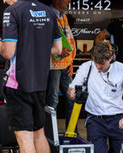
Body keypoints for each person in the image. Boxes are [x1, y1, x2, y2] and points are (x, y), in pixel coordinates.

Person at [0, 0, 62, 153]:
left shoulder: (12, 12)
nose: (4, 0)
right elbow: (58, 48)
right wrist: (36, 50)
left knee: (24, 139)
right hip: (40, 82)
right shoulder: (50, 12)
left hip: (18, 82)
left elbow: (8, 52)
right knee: (38, 134)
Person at [67, 42, 123, 153]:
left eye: (102, 64)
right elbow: (72, 87)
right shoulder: (86, 67)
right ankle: (103, 151)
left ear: (110, 59)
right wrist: (72, 92)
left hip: (117, 118)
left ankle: (112, 149)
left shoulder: (122, 70)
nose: (98, 67)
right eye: (96, 63)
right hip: (95, 119)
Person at [46, 0, 76, 129]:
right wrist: (57, 54)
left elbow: (68, 40)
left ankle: (72, 134)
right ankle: (51, 136)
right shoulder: (47, 15)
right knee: (52, 101)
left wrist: (70, 62)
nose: (69, 1)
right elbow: (41, 40)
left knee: (72, 99)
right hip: (52, 66)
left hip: (66, 65)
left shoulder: (63, 15)